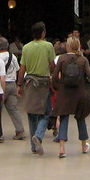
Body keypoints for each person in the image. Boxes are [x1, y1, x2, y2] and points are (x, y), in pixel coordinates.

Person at [17, 21, 56, 156]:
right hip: (43, 83)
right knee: (46, 113)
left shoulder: (26, 47)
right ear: (43, 33)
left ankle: (34, 147)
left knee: (32, 114)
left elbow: (22, 68)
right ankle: (38, 136)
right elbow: (52, 65)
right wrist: (54, 76)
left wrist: (19, 85)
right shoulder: (48, 46)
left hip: (29, 83)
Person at [52, 35, 90, 158]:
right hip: (80, 93)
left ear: (68, 46)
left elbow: (54, 76)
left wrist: (57, 87)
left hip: (65, 93)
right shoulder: (83, 60)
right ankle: (83, 145)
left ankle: (62, 148)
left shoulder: (62, 59)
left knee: (64, 118)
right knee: (81, 119)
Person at [0, 37, 26, 140]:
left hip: (2, 85)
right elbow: (18, 69)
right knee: (13, 109)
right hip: (12, 84)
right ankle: (20, 130)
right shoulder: (12, 56)